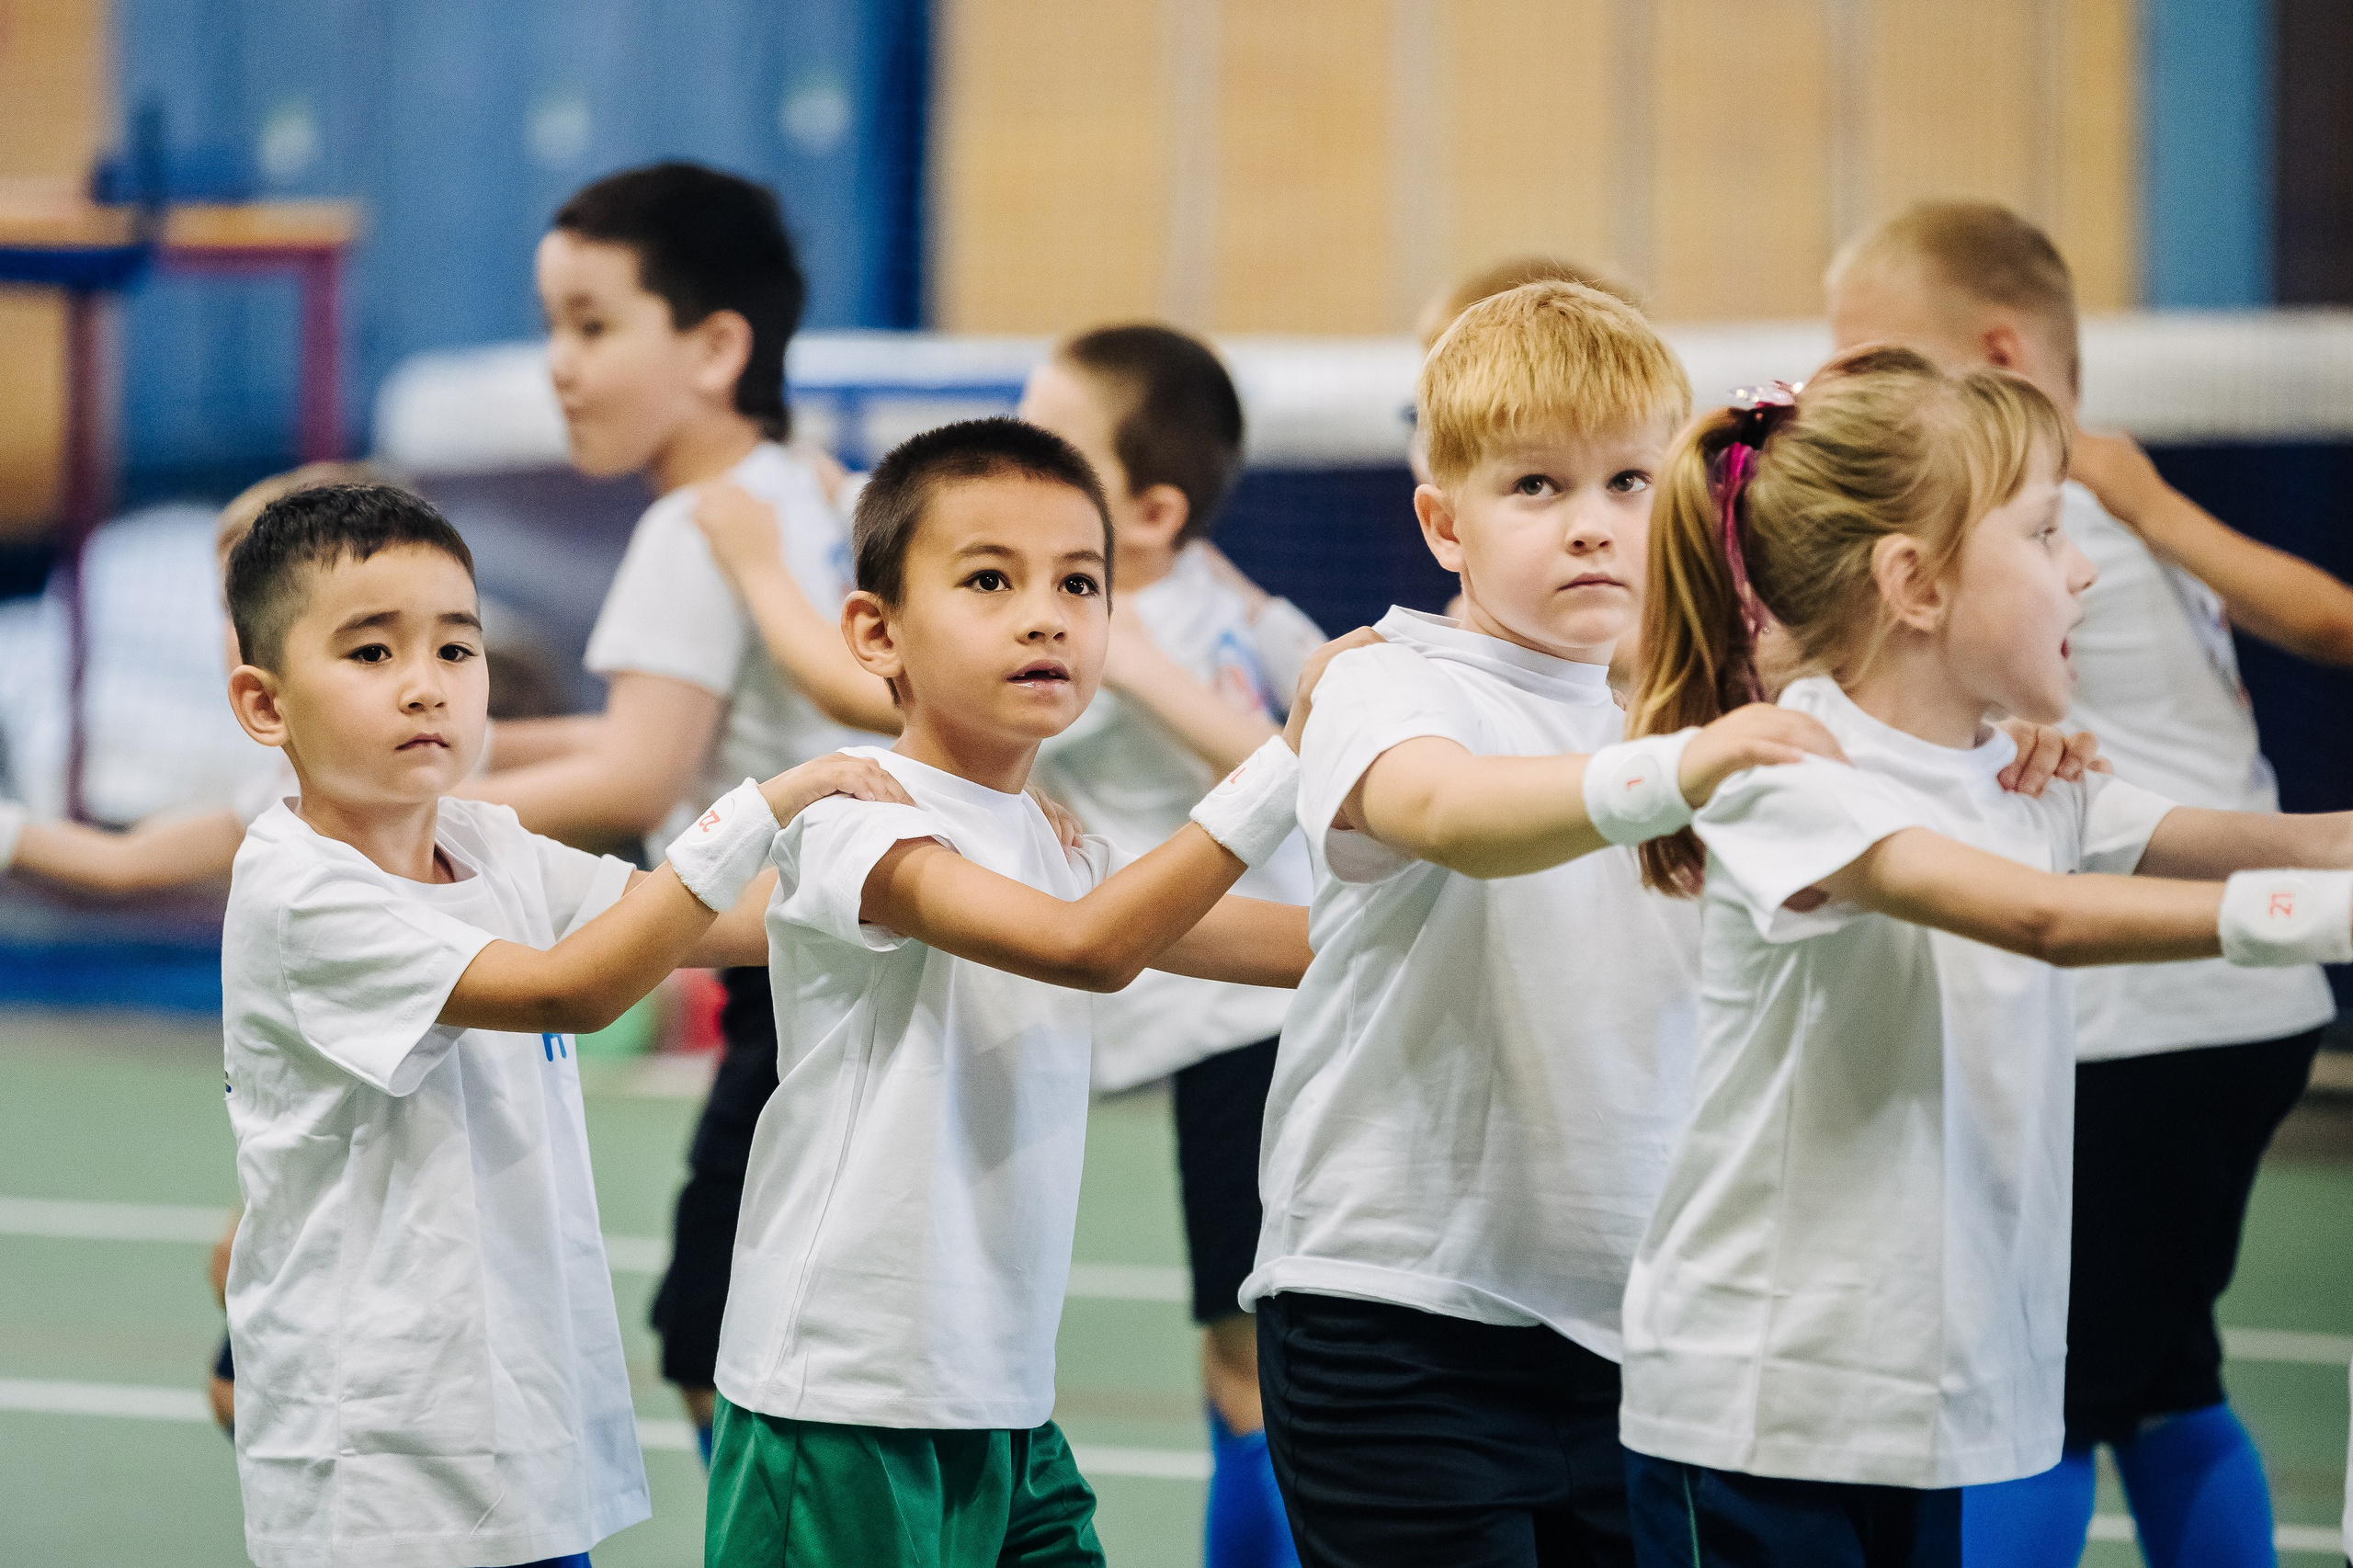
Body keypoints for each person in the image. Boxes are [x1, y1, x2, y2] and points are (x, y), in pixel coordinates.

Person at [1615, 348, 2353, 1568]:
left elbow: (2297, 842)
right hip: (1756, 1404)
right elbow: (2037, 918)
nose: (2083, 571)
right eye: (2048, 530)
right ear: (1915, 583)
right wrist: (2322, 917)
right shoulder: (1791, 774)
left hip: (1918, 1406)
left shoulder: (2022, 776)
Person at [1248, 279, 1878, 1568]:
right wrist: (1681, 770)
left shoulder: (1695, 714)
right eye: (1536, 487)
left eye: (1629, 485)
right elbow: (1452, 808)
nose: (1591, 525)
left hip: (1631, 1328)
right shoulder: (1389, 678)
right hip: (1394, 1311)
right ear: (1444, 522)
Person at [214, 482, 907, 1568]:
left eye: (455, 650)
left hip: (518, 1434)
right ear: (265, 704)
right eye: (369, 653)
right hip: (386, 1462)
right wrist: (766, 804)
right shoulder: (302, 891)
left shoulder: (490, 843)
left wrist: (946, 843)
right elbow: (569, 989)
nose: (423, 688)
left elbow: (723, 919)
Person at [1826, 199, 2353, 1567]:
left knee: (2035, 1396)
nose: (1858, 393)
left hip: (2149, 1001)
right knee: (2164, 1377)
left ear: (1999, 353)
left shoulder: (2043, 532)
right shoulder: (2099, 513)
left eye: (1882, 358)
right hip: (2234, 996)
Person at [703, 417, 1318, 1568]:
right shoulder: (860, 825)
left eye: (1080, 583)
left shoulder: (1051, 834)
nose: (1045, 613)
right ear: (875, 632)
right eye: (990, 578)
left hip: (1002, 1402)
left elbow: (1297, 944)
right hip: (842, 1404)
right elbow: (1088, 946)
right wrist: (1290, 757)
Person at [458, 160, 892, 1459]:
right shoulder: (810, 485)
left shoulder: (692, 525)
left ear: (713, 346)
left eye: (592, 324)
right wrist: (483, 741)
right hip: (855, 963)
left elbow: (640, 777)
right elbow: (674, 723)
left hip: (788, 976)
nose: (560, 365)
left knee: (721, 1341)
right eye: (552, 327)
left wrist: (416, 808)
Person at [1010, 322, 1310, 1568]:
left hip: (1247, 1018)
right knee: (1238, 1354)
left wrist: (1126, 661)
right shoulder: (1207, 586)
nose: (1020, 459)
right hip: (1241, 1019)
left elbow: (1303, 756)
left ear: (1148, 510)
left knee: (1253, 1372)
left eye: (1052, 442)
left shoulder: (1121, 629)